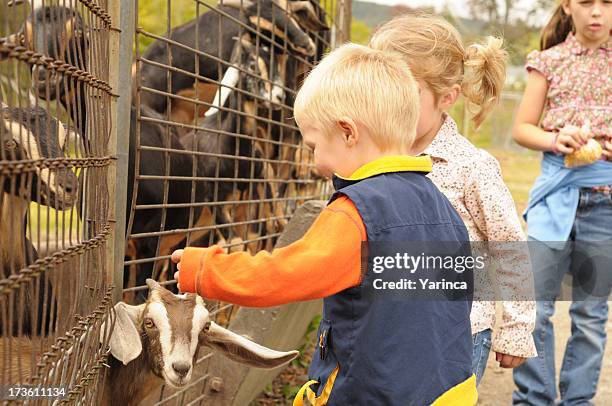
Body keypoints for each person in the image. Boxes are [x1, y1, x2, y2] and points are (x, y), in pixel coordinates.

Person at [171, 43, 478, 404]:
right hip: (446, 391)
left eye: (314, 144)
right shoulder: (441, 205)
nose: (315, 161)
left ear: (348, 133)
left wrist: (206, 269)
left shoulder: (357, 213)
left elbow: (286, 275)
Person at [369, 13, 537, 386]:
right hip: (388, 331)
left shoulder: (470, 167)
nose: (387, 103)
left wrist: (516, 327)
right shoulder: (369, 160)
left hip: (457, 334)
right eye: (379, 87)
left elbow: (508, 247)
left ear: (447, 97)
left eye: (404, 91)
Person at [510, 1, 612, 404]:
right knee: (533, 309)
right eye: (585, 1)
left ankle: (578, 401)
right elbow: (521, 127)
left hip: (605, 204)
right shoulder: (547, 61)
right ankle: (534, 398)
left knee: (590, 316)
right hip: (555, 199)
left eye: (606, 1)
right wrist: (555, 140)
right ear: (568, 6)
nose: (596, 12)